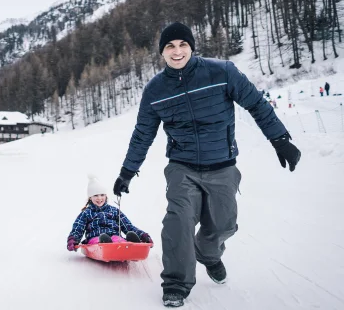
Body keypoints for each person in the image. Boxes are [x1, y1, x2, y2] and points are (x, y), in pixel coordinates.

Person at [112, 23, 301, 307]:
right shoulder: (155, 90)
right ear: (162, 52)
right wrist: (127, 172)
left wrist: (280, 139)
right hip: (182, 167)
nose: (177, 52)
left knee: (224, 224)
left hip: (222, 165)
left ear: (191, 46)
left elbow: (257, 104)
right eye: (170, 47)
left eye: (182, 45)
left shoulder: (222, 72)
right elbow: (143, 134)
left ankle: (208, 254)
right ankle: (176, 283)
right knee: (178, 221)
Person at [66, 175, 152, 251]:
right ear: (90, 198)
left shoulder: (114, 210)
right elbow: (78, 228)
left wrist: (142, 235)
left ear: (106, 196)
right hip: (95, 239)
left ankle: (131, 245)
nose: (99, 198)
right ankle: (106, 245)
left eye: (102, 195)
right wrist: (73, 239)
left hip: (114, 236)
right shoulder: (86, 213)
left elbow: (128, 226)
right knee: (100, 240)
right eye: (95, 195)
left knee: (119, 240)